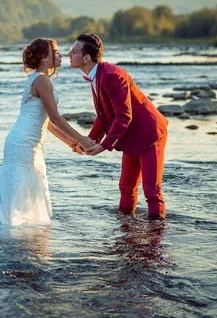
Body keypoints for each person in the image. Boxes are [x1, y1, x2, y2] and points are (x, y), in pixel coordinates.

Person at [0, 38, 95, 227]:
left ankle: (17, 234)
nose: (61, 55)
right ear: (45, 57)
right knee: (20, 193)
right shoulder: (42, 81)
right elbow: (54, 118)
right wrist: (82, 139)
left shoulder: (39, 79)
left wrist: (71, 143)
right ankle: (15, 236)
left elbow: (48, 123)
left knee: (23, 189)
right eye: (56, 52)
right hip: (23, 143)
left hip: (25, 142)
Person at [68, 34, 169, 220]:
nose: (69, 54)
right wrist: (89, 141)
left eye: (73, 51)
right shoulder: (96, 75)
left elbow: (124, 115)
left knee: (151, 191)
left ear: (86, 57)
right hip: (131, 137)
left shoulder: (111, 76)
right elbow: (105, 115)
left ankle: (155, 244)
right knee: (126, 187)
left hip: (150, 135)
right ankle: (125, 237)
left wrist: (104, 145)